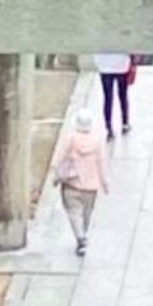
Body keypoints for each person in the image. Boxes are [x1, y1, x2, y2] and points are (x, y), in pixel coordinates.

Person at [50, 110, 109, 257]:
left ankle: (80, 237)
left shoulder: (70, 138)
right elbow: (102, 163)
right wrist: (104, 182)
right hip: (91, 185)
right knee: (86, 214)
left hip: (71, 182)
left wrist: (55, 170)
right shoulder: (97, 141)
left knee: (73, 212)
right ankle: (82, 235)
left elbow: (59, 156)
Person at [94, 52, 131, 137]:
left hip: (104, 66)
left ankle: (109, 127)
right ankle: (125, 123)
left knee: (108, 98)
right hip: (121, 64)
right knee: (123, 95)